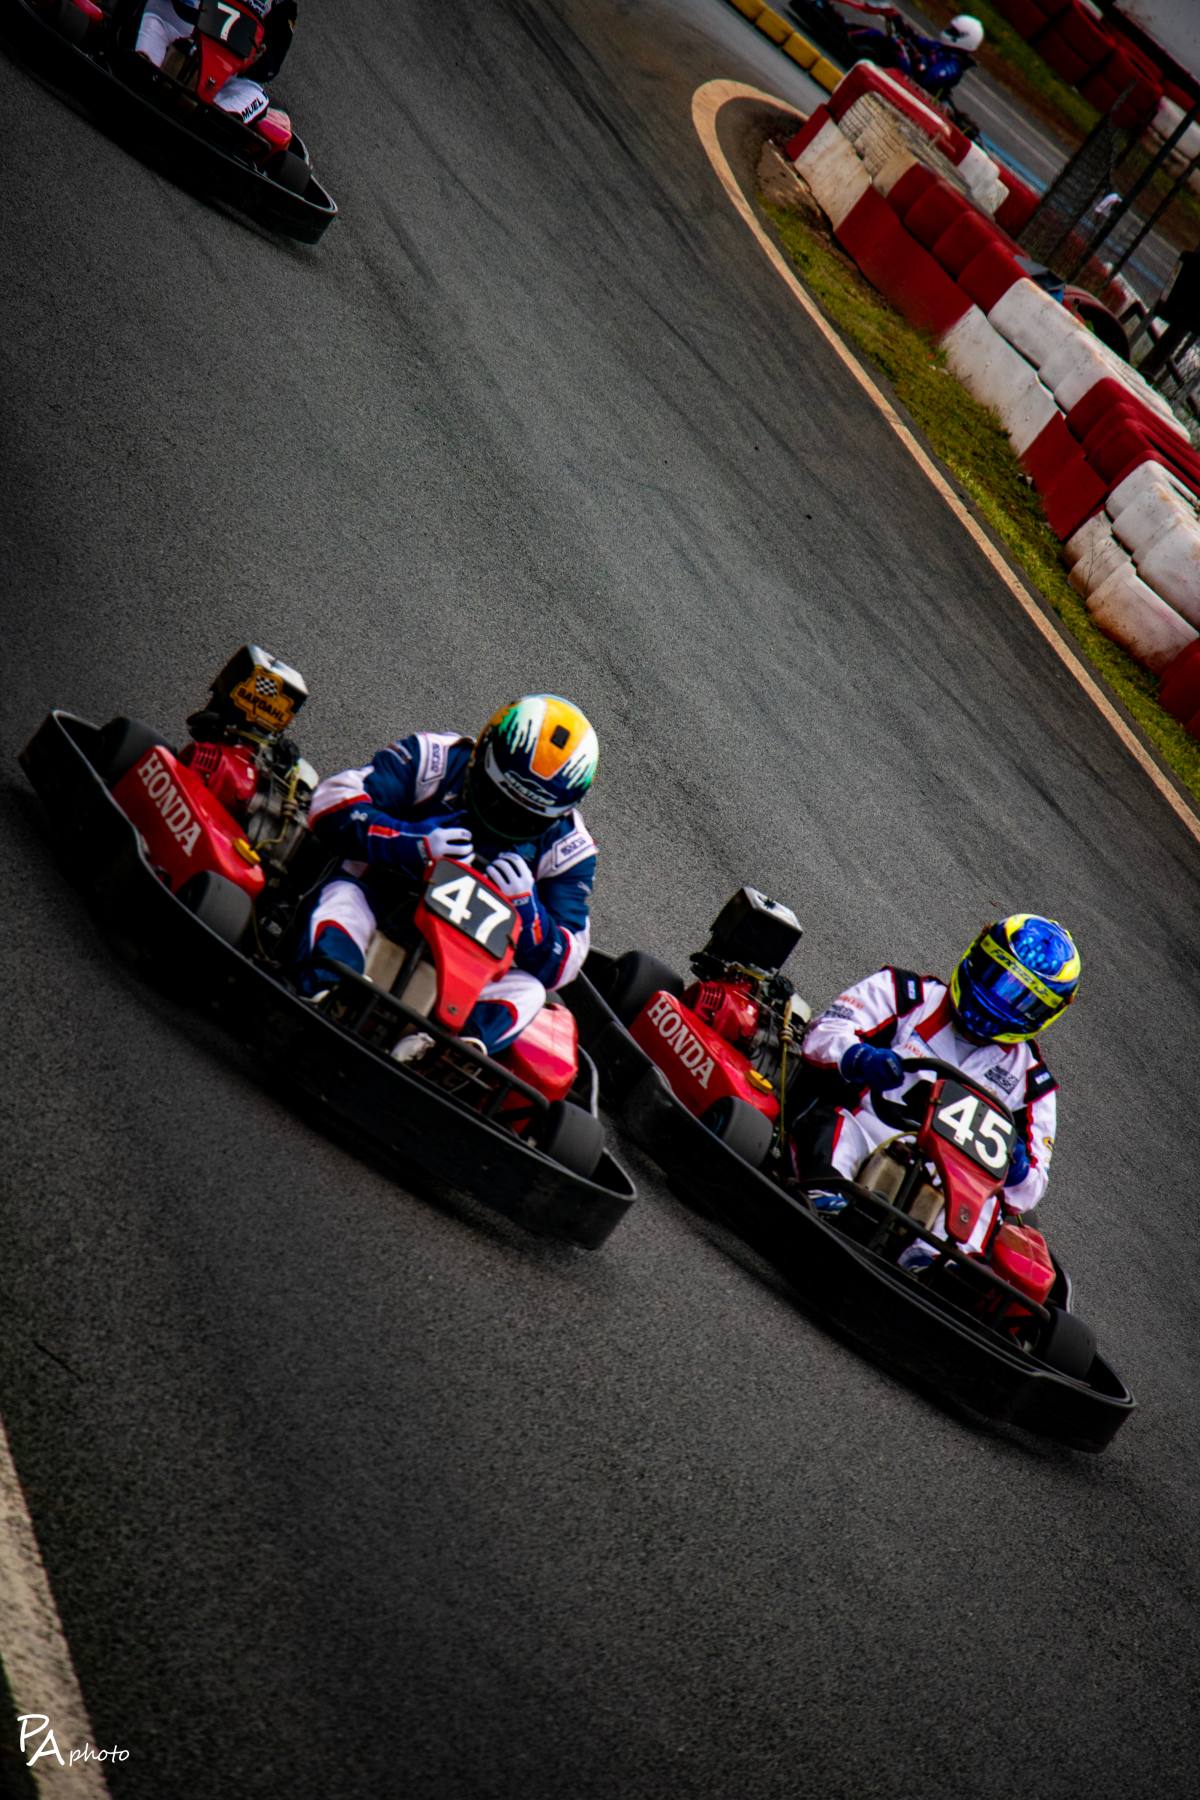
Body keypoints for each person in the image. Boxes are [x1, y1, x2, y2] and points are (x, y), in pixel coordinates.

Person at [296, 695, 599, 1057]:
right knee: (344, 894)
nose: (503, 820)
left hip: (464, 982)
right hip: (379, 917)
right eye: (497, 798)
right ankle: (334, 988)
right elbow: (331, 801)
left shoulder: (568, 848)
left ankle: (445, 1051)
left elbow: (566, 962)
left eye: (525, 817)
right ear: (484, 755)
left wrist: (529, 912)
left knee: (531, 990)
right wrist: (413, 843)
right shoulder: (434, 760)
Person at [793, 915, 1080, 1261]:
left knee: (986, 1208)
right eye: (996, 978)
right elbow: (823, 1033)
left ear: (1045, 1013)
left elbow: (1028, 1190)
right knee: (841, 1124)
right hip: (872, 1133)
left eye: (1020, 999)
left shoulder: (1032, 1084)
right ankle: (828, 1198)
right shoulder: (906, 995)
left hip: (951, 1186)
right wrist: (860, 1056)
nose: (997, 999)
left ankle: (931, 1265)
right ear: (978, 956)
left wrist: (1016, 1165)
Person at [134, 1, 297, 109]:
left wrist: (258, 61)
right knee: (150, 27)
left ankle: (208, 119)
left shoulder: (283, 6)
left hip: (227, 70)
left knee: (257, 96)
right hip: (178, 28)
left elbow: (272, 65)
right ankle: (141, 69)